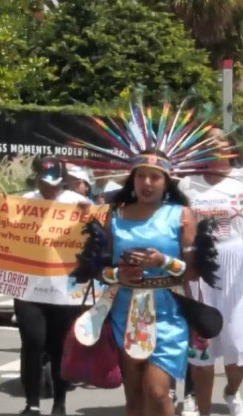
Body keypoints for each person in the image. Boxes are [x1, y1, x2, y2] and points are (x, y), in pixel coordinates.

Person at [63, 99, 223, 416]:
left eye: (155, 177)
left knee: (158, 392)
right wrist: (119, 276)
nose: (147, 183)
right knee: (135, 397)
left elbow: (192, 273)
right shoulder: (114, 216)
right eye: (141, 176)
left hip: (169, 312)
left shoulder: (182, 216)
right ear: (132, 180)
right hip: (125, 310)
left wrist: (161, 262)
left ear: (167, 182)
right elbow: (100, 271)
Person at [178, 118, 243, 416]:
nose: (214, 150)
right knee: (203, 347)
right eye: (207, 146)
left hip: (239, 264)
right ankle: (203, 408)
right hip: (201, 266)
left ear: (231, 149)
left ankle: (232, 392)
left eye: (219, 145)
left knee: (237, 343)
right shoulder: (186, 182)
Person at [17, 155, 88, 416]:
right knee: (33, 343)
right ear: (37, 179)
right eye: (46, 183)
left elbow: (100, 233)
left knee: (60, 345)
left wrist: (89, 216)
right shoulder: (24, 202)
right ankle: (32, 403)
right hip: (29, 287)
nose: (51, 188)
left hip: (64, 288)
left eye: (56, 183)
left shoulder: (76, 203)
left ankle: (60, 403)